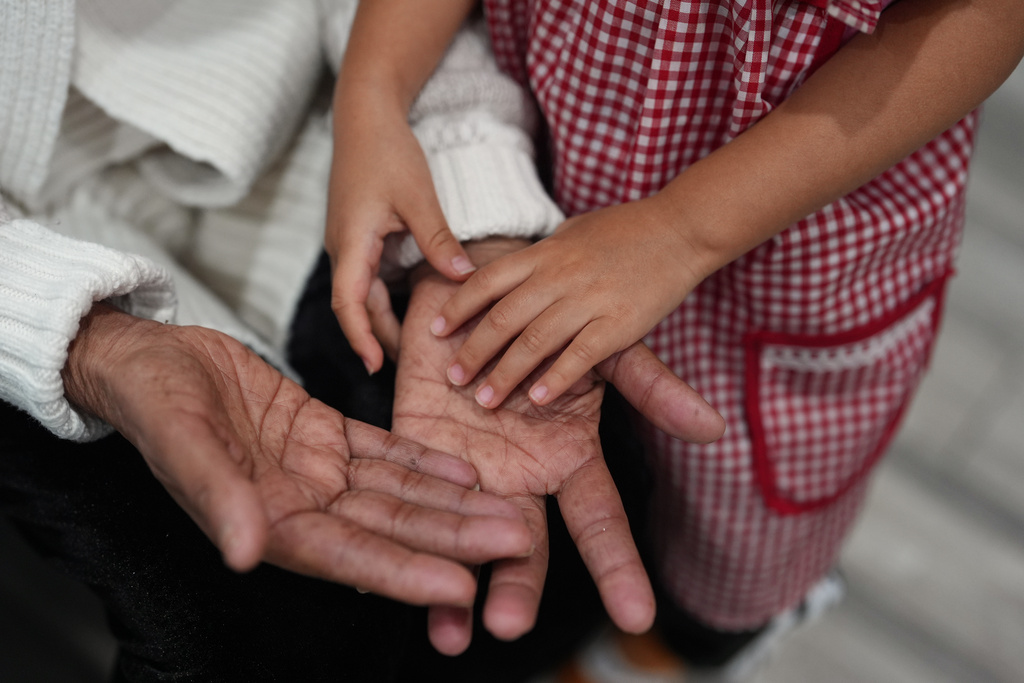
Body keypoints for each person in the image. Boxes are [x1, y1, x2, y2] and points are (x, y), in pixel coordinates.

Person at [0, 1, 722, 679]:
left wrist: (468, 211)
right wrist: (77, 337)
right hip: (28, 291)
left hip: (329, 140)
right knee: (243, 633)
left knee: (557, 511)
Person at [327, 0, 1024, 678]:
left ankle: (686, 649)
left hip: (793, 242)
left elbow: (988, 16)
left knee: (734, 542)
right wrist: (373, 94)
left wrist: (683, 229)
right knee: (592, 487)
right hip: (554, 144)